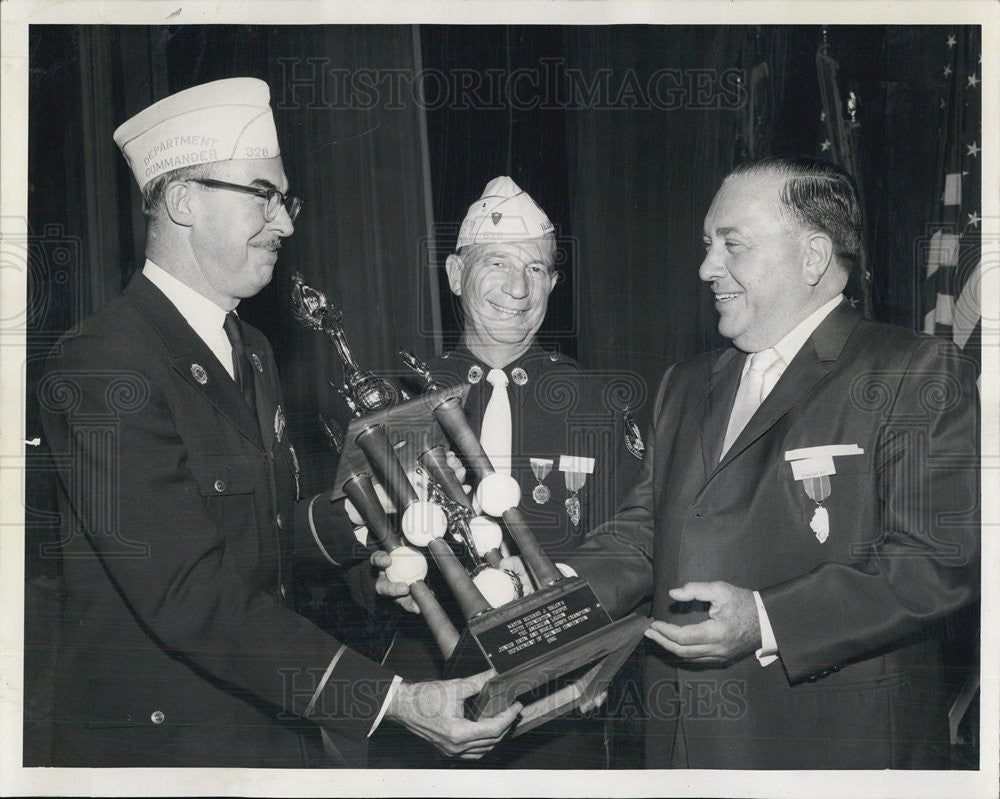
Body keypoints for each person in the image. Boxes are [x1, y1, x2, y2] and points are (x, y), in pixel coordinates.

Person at [36, 77, 520, 768]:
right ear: (181, 200)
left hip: (268, 726)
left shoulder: (251, 350)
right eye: (263, 195)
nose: (287, 223)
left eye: (285, 199)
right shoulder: (102, 363)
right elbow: (187, 590)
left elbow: (255, 532)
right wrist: (389, 699)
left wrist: (367, 519)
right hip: (164, 750)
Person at [560, 156, 980, 769]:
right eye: (707, 245)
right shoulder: (685, 381)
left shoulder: (913, 372)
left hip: (831, 747)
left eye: (732, 245)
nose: (707, 268)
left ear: (812, 257)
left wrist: (764, 620)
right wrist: (548, 593)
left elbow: (933, 567)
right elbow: (645, 533)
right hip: (679, 740)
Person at [364, 176, 643, 768]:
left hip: (561, 710)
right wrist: (380, 577)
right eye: (498, 264)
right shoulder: (396, 404)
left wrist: (571, 614)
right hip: (426, 697)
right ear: (456, 275)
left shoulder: (600, 402)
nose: (518, 288)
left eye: (537, 270)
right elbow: (348, 557)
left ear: (554, 284)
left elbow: (640, 546)